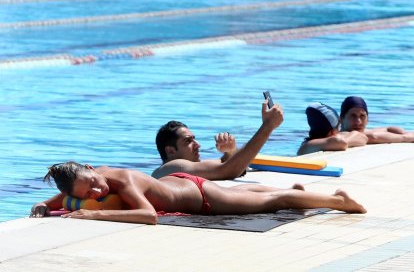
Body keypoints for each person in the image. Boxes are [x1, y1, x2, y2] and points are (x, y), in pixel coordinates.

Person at [30, 162, 366, 224]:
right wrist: (45, 204)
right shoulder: (94, 174)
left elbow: (148, 216)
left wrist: (93, 213)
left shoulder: (124, 182)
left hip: (203, 199)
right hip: (179, 183)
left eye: (94, 185)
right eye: (89, 192)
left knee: (274, 202)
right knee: (251, 191)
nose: (97, 191)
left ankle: (340, 202)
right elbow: (63, 197)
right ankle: (293, 188)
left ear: (91, 168)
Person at [152, 99, 284, 180]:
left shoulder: (185, 168)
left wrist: (230, 151)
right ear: (170, 151)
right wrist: (268, 126)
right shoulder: (172, 168)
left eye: (194, 139)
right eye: (188, 141)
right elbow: (228, 171)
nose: (197, 145)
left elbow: (232, 167)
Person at [297, 102, 368, 155]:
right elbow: (340, 142)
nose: (339, 130)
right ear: (332, 131)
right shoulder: (308, 146)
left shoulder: (318, 143)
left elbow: (363, 137)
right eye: (338, 126)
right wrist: (353, 135)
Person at [340, 96, 414, 144]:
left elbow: (388, 128)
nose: (358, 122)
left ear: (367, 119)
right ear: (341, 119)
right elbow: (373, 137)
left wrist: (404, 132)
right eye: (353, 116)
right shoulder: (339, 135)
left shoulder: (363, 131)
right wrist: (406, 137)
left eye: (362, 116)